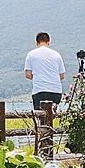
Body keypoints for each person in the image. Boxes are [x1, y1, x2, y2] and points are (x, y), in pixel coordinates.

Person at [23, 31, 66, 159]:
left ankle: (44, 150)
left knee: (41, 121)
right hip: (55, 91)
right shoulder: (56, 55)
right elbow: (62, 75)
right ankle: (48, 148)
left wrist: (38, 77)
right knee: (49, 120)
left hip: (40, 90)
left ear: (37, 42)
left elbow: (27, 74)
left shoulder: (31, 54)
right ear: (49, 41)